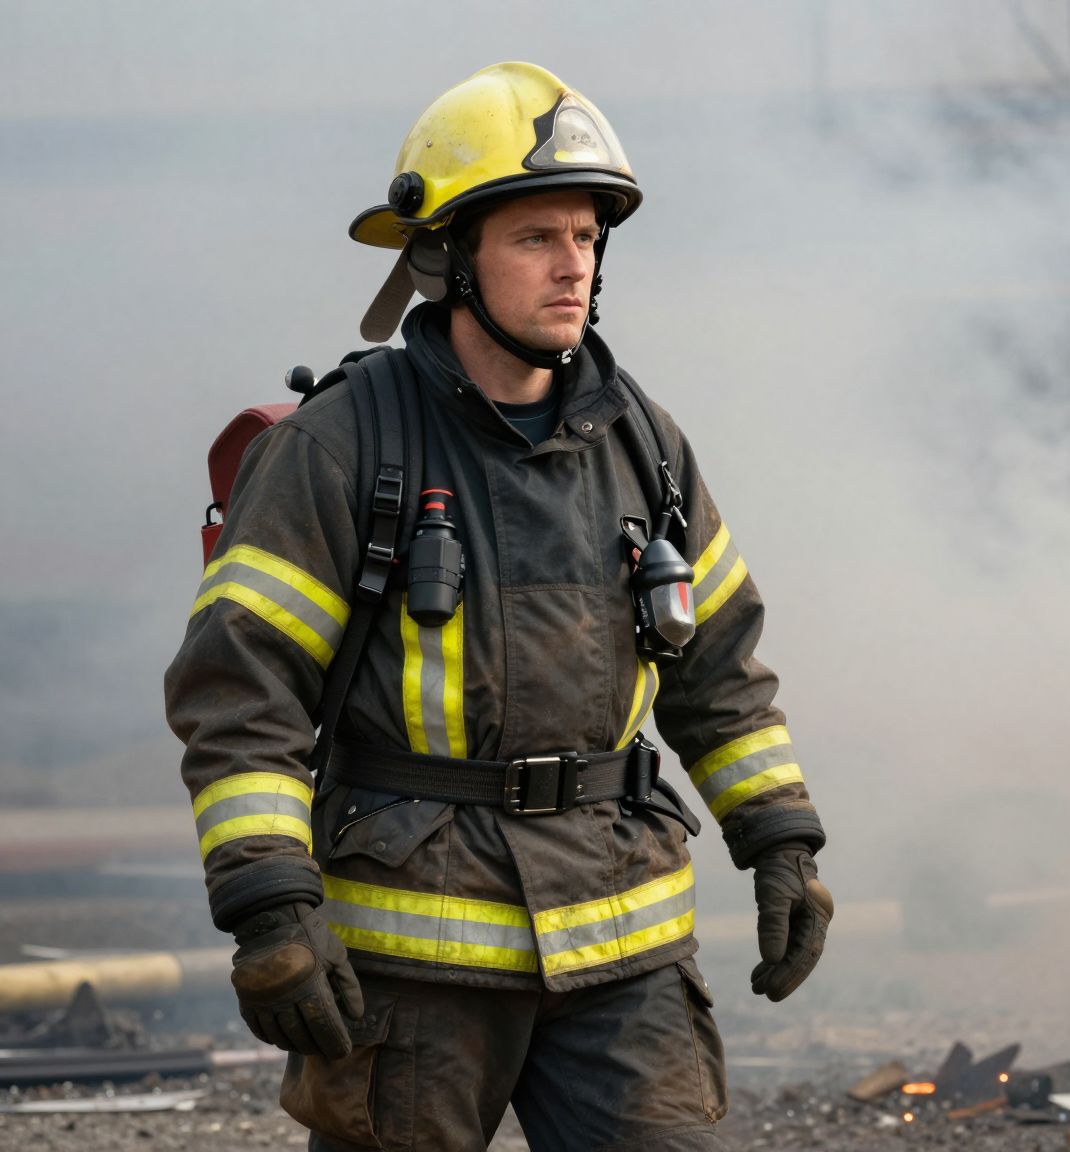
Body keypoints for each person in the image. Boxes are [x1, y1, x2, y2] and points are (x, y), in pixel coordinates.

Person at [164, 61, 832, 1151]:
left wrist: (782, 842)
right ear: (443, 256)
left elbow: (718, 671)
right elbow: (242, 693)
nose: (574, 266)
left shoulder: (645, 445)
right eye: (535, 238)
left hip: (625, 953)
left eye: (586, 236)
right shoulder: (338, 449)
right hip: (413, 970)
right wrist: (271, 906)